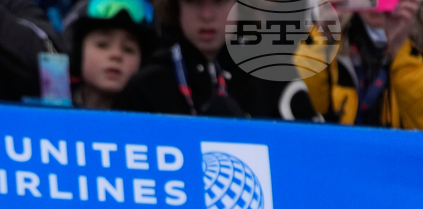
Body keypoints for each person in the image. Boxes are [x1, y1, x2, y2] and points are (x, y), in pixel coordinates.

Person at [114, 0, 320, 118]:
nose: (206, 15)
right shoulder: (147, 83)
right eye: (194, 1)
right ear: (176, 6)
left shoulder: (272, 74)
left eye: (219, 1)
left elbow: (305, 157)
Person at [296, 0, 423, 128]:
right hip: (343, 144)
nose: (376, 2)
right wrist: (321, 37)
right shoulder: (337, 38)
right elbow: (305, 110)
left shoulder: (418, 42)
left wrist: (400, 50)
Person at [62, 0, 159, 109]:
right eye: (102, 45)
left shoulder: (152, 115)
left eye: (128, 49)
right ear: (77, 53)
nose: (116, 55)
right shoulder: (55, 109)